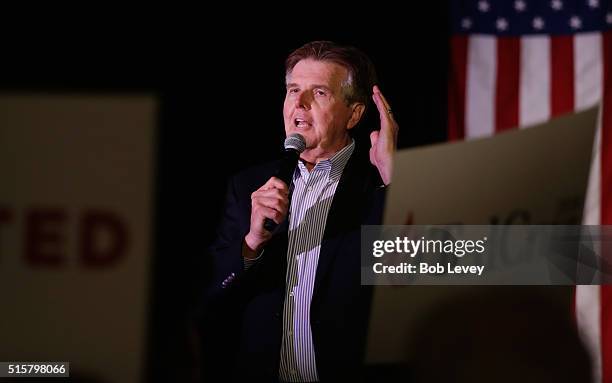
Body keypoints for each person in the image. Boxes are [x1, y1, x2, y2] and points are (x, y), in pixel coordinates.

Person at [203, 40, 399, 382]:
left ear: (353, 113)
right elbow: (210, 295)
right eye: (293, 89)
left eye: (319, 93)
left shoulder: (379, 189)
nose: (299, 102)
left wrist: (396, 178)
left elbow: (428, 277)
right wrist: (251, 243)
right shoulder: (248, 186)